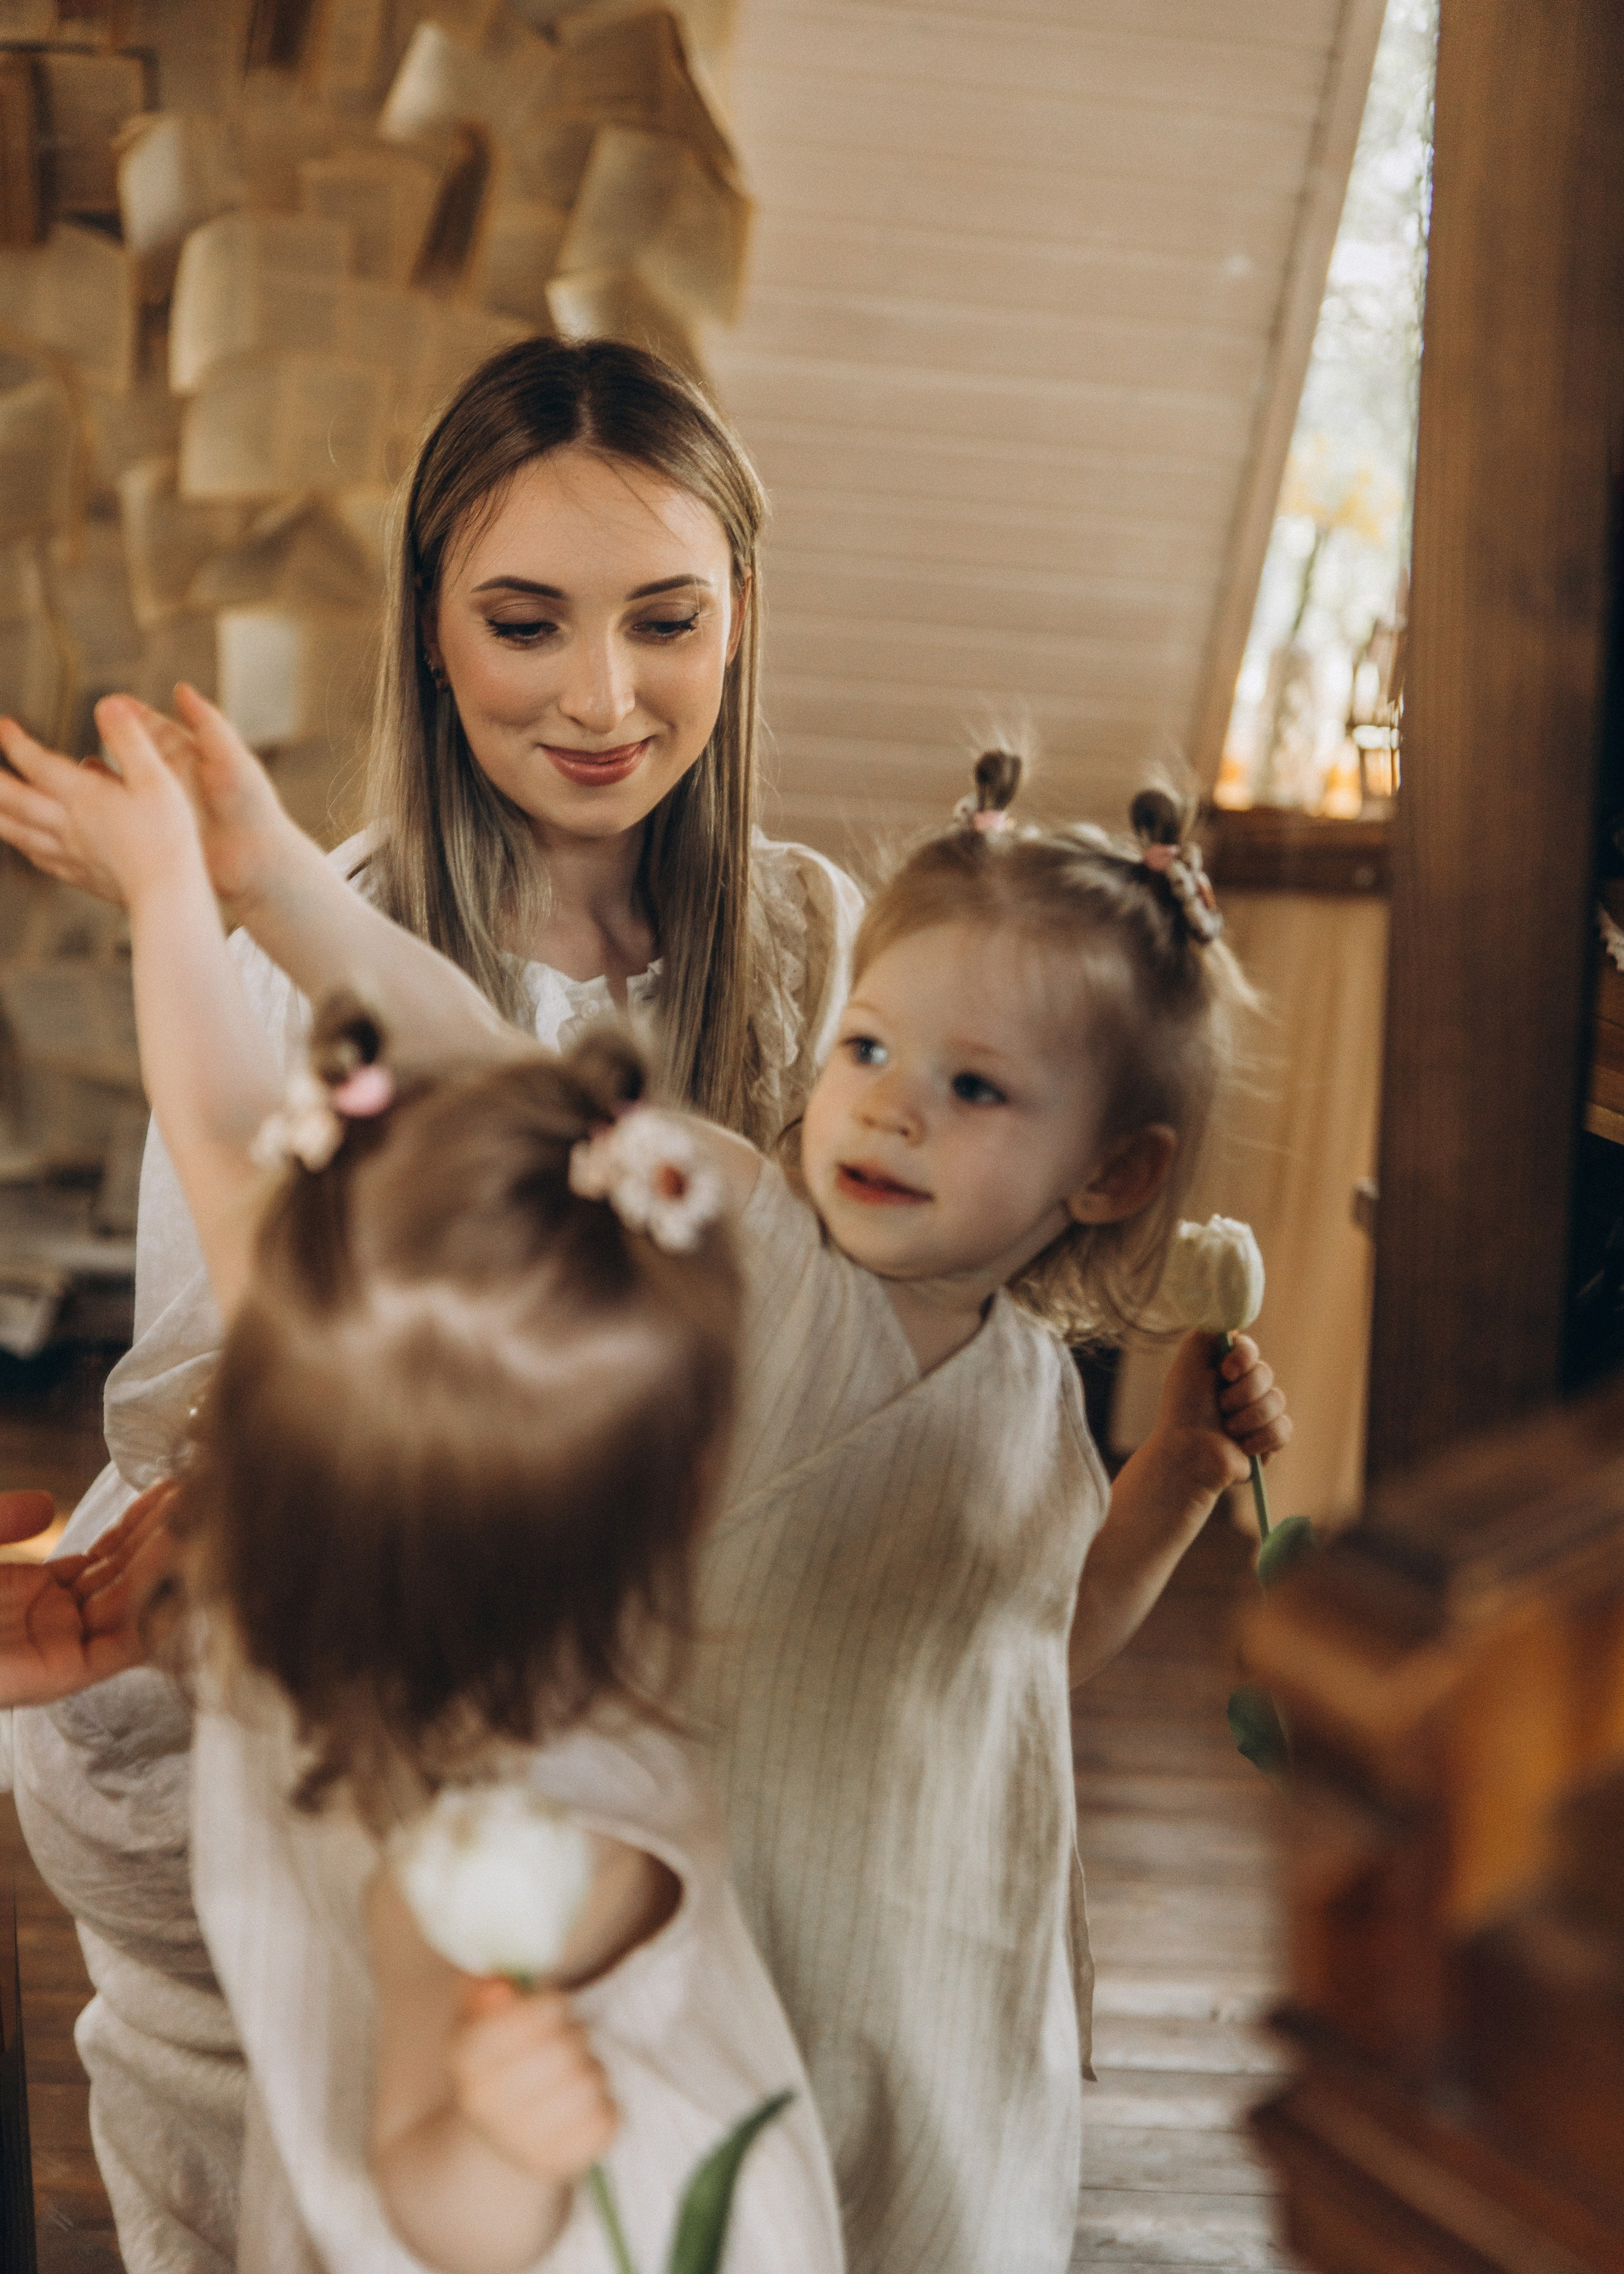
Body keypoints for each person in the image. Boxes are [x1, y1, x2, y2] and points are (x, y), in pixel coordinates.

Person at [0, 706, 1290, 2274]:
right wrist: (269, 882)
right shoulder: (728, 1236)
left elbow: (1026, 1655)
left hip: (923, 2002)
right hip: (685, 1957)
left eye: (975, 1089)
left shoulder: (1033, 1411)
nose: (886, 1104)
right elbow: (475, 1049)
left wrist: (1171, 1480)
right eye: (867, 1048)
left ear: (1114, 1174)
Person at [0, 338, 861, 2273]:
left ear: (741, 617)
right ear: (431, 627)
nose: (601, 696)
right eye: (526, 623)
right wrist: (195, 912)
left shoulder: (808, 937)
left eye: (666, 622)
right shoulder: (308, 947)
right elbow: (238, 1308)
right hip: (383, 1635)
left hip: (691, 1661)